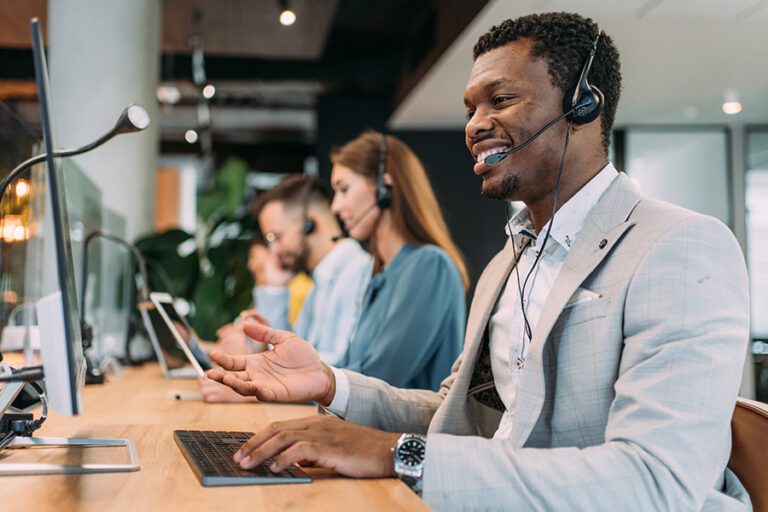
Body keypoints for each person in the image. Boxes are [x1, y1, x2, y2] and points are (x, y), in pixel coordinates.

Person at [207, 13, 750, 510]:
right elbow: (457, 416)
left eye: (501, 100)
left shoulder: (679, 246)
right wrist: (331, 384)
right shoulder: (508, 264)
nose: (474, 124)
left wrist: (399, 455)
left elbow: (653, 482)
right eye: (471, 109)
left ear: (584, 104)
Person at [198, 176, 372, 402]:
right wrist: (275, 292)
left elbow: (343, 371)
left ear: (309, 224)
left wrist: (252, 392)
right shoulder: (320, 279)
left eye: (276, 237)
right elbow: (296, 356)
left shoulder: (357, 273)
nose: (275, 251)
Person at [329, 131, 469, 390]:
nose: (335, 206)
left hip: (405, 430)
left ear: (385, 187)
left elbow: (379, 377)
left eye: (343, 189)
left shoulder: (429, 265)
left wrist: (307, 385)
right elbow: (349, 368)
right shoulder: (381, 277)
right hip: (367, 429)